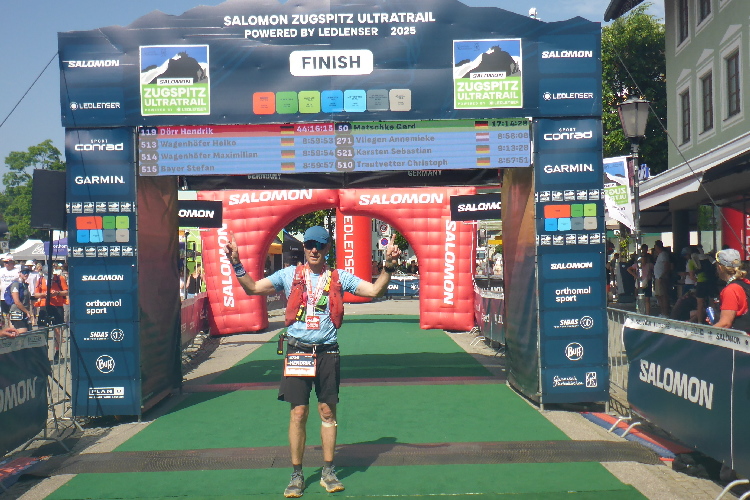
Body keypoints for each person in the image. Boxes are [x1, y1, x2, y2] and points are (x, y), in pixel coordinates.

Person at [225, 226, 401, 498]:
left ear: (328, 248)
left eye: (320, 245)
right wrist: (236, 263)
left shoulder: (339, 277)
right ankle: (296, 474)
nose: (314, 250)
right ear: (304, 247)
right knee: (298, 413)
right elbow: (253, 288)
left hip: (327, 352)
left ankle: (328, 471)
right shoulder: (289, 275)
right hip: (298, 351)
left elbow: (375, 290)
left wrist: (388, 266)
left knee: (327, 412)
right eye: (309, 244)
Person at [711, 249, 750, 333]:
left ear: (720, 268)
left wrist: (706, 333)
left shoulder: (731, 290)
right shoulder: (745, 283)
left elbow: (725, 324)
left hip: (739, 339)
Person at [35, 269, 69, 362]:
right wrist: (43, 294)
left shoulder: (59, 278)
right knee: (42, 328)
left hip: (57, 305)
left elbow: (66, 292)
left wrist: (57, 293)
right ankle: (44, 351)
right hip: (44, 305)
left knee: (57, 329)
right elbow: (36, 294)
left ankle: (57, 351)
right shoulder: (40, 280)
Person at [627, 250, 654, 315]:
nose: (643, 258)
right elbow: (628, 269)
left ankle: (647, 314)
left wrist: (651, 275)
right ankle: (639, 310)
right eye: (642, 257)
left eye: (644, 257)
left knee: (647, 299)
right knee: (639, 297)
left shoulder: (649, 265)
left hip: (647, 282)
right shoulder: (636, 265)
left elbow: (654, 270)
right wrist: (635, 276)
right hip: (639, 281)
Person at [7, 267, 32, 333]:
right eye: (24, 272)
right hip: (17, 313)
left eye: (27, 272)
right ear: (19, 273)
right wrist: (27, 312)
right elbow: (17, 301)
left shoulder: (24, 284)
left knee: (26, 334)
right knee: (23, 335)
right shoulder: (16, 284)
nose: (26, 274)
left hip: (23, 313)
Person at [653, 241, 672, 317]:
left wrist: (662, 276)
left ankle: (665, 313)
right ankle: (662, 312)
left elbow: (667, 266)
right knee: (659, 296)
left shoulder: (663, 254)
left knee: (663, 296)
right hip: (658, 277)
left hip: (661, 278)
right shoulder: (659, 255)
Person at [0, 254, 19, 325]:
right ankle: (7, 328)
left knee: (12, 314)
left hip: (13, 296)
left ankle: (12, 327)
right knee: (5, 315)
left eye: (7, 262)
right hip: (3, 296)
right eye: (5, 262)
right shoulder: (1, 270)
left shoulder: (17, 271)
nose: (6, 264)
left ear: (12, 262)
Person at [25, 260, 41, 327]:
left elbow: (39, 283)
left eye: (30, 266)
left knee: (34, 306)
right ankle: (29, 319)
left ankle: (34, 319)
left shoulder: (36, 273)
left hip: (34, 292)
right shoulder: (24, 273)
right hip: (26, 291)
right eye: (28, 266)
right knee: (28, 306)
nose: (29, 267)